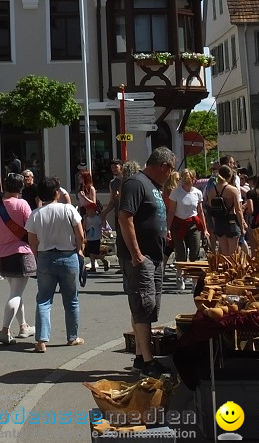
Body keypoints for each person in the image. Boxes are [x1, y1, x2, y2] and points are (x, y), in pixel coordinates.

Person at [116, 147, 173, 379]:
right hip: (142, 257)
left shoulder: (152, 185)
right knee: (143, 305)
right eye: (170, 170)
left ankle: (141, 357)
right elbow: (124, 217)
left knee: (146, 307)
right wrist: (136, 254)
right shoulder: (136, 183)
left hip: (154, 256)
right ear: (164, 167)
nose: (170, 175)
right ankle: (148, 362)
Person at [26, 176, 84, 353]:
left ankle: (41, 340)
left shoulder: (36, 214)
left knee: (43, 299)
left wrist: (37, 257)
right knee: (71, 299)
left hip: (45, 257)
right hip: (68, 256)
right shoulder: (68, 209)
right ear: (56, 193)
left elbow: (32, 241)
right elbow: (80, 234)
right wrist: (79, 249)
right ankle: (72, 337)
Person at [0, 172, 35, 345]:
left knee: (15, 292)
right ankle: (5, 330)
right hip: (21, 252)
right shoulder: (22, 204)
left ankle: (23, 326)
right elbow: (31, 227)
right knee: (16, 293)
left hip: (3, 252)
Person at [167, 170, 208, 291]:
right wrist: (167, 229)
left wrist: (205, 229)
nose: (187, 183)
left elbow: (200, 212)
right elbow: (171, 212)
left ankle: (194, 280)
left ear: (194, 180)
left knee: (195, 253)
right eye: (185, 180)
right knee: (181, 253)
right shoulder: (176, 193)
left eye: (189, 180)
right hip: (179, 224)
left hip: (193, 224)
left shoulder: (197, 193)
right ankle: (180, 277)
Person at [207, 166, 245, 256]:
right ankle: (231, 269)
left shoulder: (212, 191)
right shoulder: (233, 190)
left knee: (224, 252)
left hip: (219, 221)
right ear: (230, 176)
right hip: (231, 221)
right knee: (233, 253)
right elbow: (238, 210)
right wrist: (242, 225)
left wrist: (215, 224)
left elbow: (212, 210)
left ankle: (225, 269)